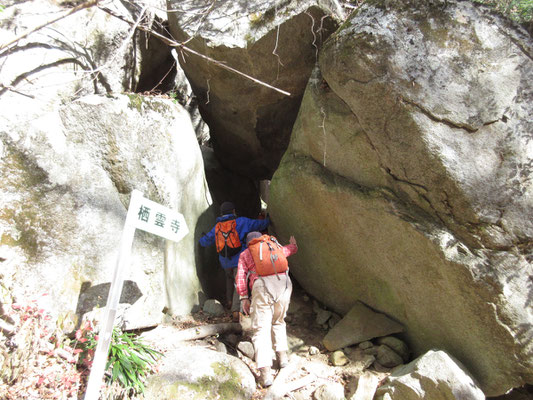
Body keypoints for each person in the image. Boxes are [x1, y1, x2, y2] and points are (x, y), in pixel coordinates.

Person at [235, 231, 298, 387]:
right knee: (279, 321)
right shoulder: (273, 246)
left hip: (262, 286)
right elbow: (288, 250)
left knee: (261, 329)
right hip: (284, 283)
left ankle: (265, 373)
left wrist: (243, 297)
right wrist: (294, 244)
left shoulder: (246, 253)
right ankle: (282, 358)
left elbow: (241, 276)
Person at [199, 202, 270, 321]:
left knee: (229, 279)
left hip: (224, 260)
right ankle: (236, 310)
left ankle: (229, 301)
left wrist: (200, 240)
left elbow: (205, 241)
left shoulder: (217, 227)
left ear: (221, 213)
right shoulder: (241, 222)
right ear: (233, 211)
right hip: (239, 259)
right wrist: (268, 219)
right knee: (239, 281)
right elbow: (259, 225)